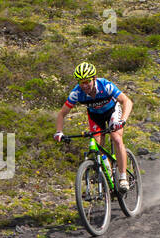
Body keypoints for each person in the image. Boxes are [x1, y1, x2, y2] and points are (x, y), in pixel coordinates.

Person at [54, 61, 133, 192]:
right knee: (97, 146)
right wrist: (59, 132)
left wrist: (123, 120)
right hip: (95, 116)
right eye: (81, 82)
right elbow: (62, 113)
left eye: (87, 81)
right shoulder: (76, 93)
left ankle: (123, 177)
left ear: (94, 78)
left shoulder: (105, 85)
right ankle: (109, 176)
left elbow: (127, 101)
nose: (84, 85)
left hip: (112, 112)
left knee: (116, 138)